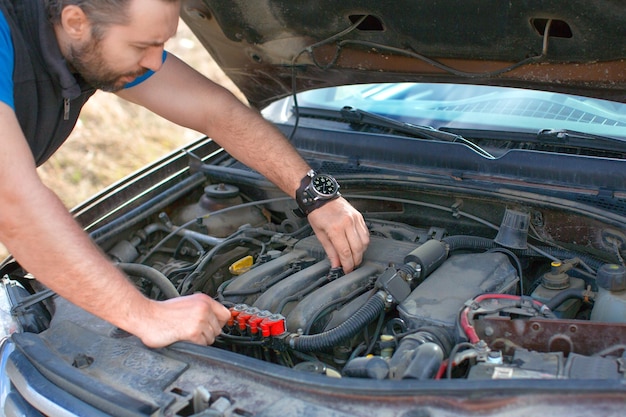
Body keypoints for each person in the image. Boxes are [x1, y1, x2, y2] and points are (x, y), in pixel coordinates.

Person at [0, 0, 370, 348]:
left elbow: (216, 112)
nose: (155, 63)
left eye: (161, 44)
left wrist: (315, 193)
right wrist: (145, 315)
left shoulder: (91, 44)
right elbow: (13, 201)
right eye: (142, 45)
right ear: (75, 22)